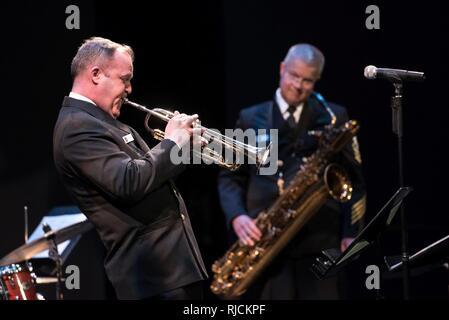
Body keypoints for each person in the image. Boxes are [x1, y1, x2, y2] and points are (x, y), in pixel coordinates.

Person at [53, 37, 208, 300]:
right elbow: (129, 182)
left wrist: (186, 148)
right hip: (152, 276)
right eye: (125, 79)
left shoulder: (102, 121)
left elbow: (149, 174)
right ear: (96, 74)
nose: (130, 89)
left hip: (173, 271)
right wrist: (173, 142)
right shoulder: (76, 127)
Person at [217, 43, 366, 299]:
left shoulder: (334, 117)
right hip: (267, 244)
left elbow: (355, 181)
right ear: (282, 69)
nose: (299, 85)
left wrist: (351, 232)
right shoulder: (249, 118)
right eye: (295, 76)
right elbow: (229, 176)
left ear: (317, 80)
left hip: (320, 242)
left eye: (308, 80)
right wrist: (237, 216)